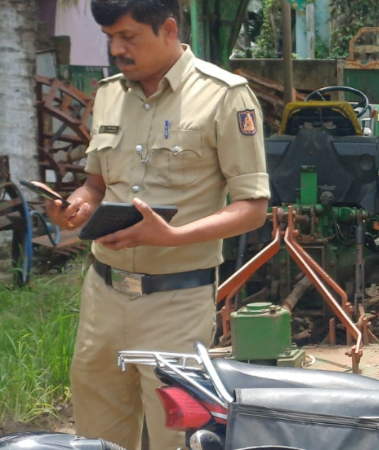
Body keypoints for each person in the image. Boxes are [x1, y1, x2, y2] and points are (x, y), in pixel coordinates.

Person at [44, 1, 270, 449]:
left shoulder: (224, 96)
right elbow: (96, 183)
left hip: (176, 303)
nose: (116, 49)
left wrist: (173, 237)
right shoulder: (110, 92)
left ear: (167, 28)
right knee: (95, 438)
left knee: (177, 440)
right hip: (103, 299)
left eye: (128, 37)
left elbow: (252, 206)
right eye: (110, 38)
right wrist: (77, 205)